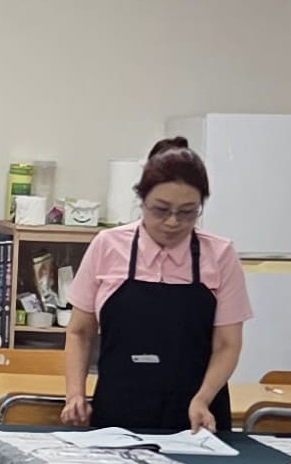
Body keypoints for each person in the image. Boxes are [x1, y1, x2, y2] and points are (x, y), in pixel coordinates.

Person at [61, 139, 251, 435]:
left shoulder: (220, 254)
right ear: (142, 201)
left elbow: (228, 344)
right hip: (118, 413)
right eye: (161, 210)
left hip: (197, 420)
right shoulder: (108, 246)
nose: (173, 222)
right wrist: (75, 394)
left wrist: (202, 399)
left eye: (188, 212)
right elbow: (80, 331)